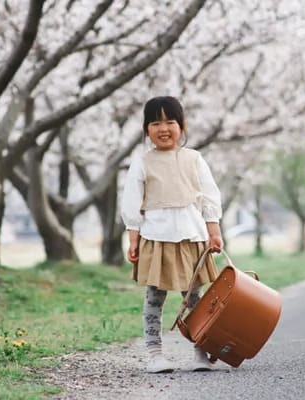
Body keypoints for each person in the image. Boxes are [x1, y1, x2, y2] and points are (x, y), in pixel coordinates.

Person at [120, 96, 223, 373]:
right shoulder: (142, 162)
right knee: (155, 298)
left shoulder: (194, 159)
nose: (163, 128)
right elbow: (132, 202)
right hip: (156, 239)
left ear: (182, 126)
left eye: (170, 122)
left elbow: (209, 197)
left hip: (192, 238)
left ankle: (201, 352)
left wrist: (214, 232)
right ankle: (155, 354)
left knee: (195, 300)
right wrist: (133, 239)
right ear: (146, 130)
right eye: (155, 122)